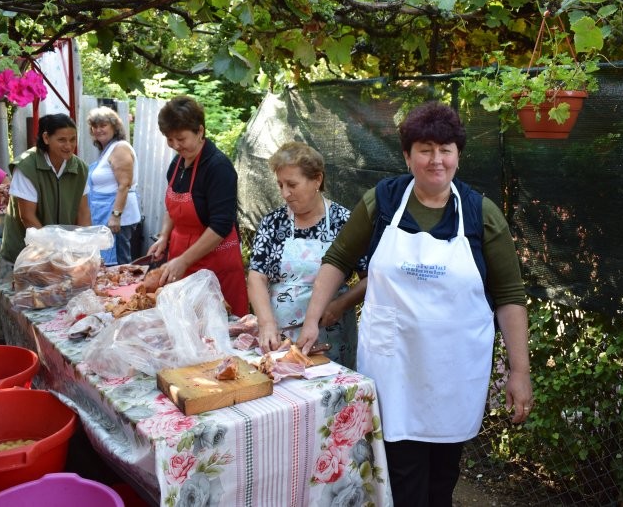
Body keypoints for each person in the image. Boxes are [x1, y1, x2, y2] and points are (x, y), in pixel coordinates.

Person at [298, 102, 533, 506]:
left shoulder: (481, 214)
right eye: (425, 149)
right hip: (395, 368)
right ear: (408, 156)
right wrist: (311, 321)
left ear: (458, 155)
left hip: (455, 372)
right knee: (402, 479)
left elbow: (510, 296)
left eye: (446, 149)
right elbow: (337, 260)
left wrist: (520, 370)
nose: (436, 160)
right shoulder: (383, 203)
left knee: (442, 480)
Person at [247, 141, 367, 368]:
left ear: (317, 180)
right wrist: (266, 323)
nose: (285, 193)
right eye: (280, 185)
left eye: (292, 184)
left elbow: (370, 278)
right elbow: (256, 277)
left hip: (331, 336)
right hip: (280, 338)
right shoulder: (274, 222)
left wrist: (340, 305)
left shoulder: (344, 221)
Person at [146, 96, 248, 316]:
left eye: (180, 138)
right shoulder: (177, 164)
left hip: (217, 264)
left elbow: (221, 226)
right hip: (181, 260)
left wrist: (184, 260)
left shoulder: (218, 167)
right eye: (169, 139)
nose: (175, 145)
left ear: (200, 131)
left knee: (219, 331)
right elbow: (173, 208)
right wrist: (164, 236)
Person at [0, 113, 91, 264]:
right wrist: (55, 253)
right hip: (26, 255)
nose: (69, 146)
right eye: (62, 140)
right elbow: (27, 217)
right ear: (46, 138)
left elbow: (83, 214)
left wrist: (84, 251)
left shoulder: (80, 169)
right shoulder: (26, 166)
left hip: (63, 254)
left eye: (72, 139)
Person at [86, 106, 141, 265]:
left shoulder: (120, 148)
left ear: (114, 127)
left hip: (117, 217)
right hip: (105, 214)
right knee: (110, 264)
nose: (98, 130)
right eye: (94, 126)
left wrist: (116, 216)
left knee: (120, 264)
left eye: (103, 125)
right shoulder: (108, 150)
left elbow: (124, 184)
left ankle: (125, 290)